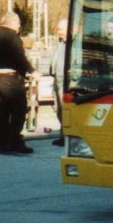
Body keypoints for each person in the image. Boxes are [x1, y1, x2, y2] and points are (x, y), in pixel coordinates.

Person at [0, 12, 34, 154]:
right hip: (10, 78)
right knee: (19, 110)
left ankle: (3, 143)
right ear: (13, 23)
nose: (19, 26)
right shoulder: (12, 37)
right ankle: (15, 141)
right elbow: (19, 56)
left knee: (1, 112)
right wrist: (31, 71)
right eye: (18, 23)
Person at [49, 18, 68, 147]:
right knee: (58, 108)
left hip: (65, 80)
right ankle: (63, 133)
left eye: (60, 29)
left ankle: (66, 135)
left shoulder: (72, 43)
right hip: (57, 79)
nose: (58, 31)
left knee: (64, 108)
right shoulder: (60, 42)